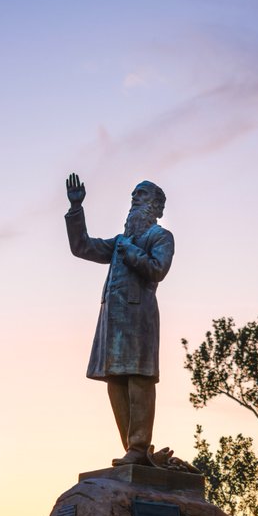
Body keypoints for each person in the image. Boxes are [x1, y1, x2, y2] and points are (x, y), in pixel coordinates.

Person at [65, 173, 174, 466]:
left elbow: (158, 269)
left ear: (157, 207)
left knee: (139, 379)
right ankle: (132, 450)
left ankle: (139, 447)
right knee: (114, 380)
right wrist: (76, 209)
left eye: (142, 195)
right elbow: (83, 247)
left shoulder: (160, 237)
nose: (134, 199)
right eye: (134, 195)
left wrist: (131, 251)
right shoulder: (118, 242)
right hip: (113, 324)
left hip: (139, 320)